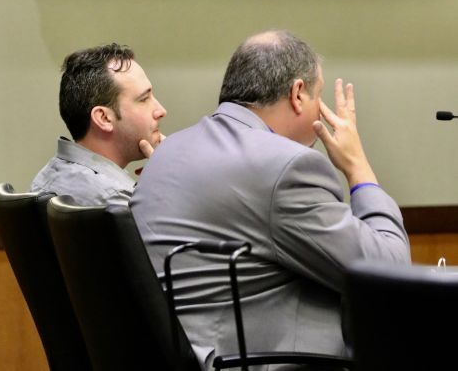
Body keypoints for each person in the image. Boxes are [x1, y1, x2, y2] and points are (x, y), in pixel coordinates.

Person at [131, 30, 410, 366]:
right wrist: (358, 168)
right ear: (297, 94)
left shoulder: (168, 151)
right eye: (318, 98)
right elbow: (389, 276)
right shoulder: (287, 166)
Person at [31, 43, 167, 205]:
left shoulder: (48, 176)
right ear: (103, 118)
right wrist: (172, 184)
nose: (161, 111)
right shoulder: (114, 199)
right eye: (144, 99)